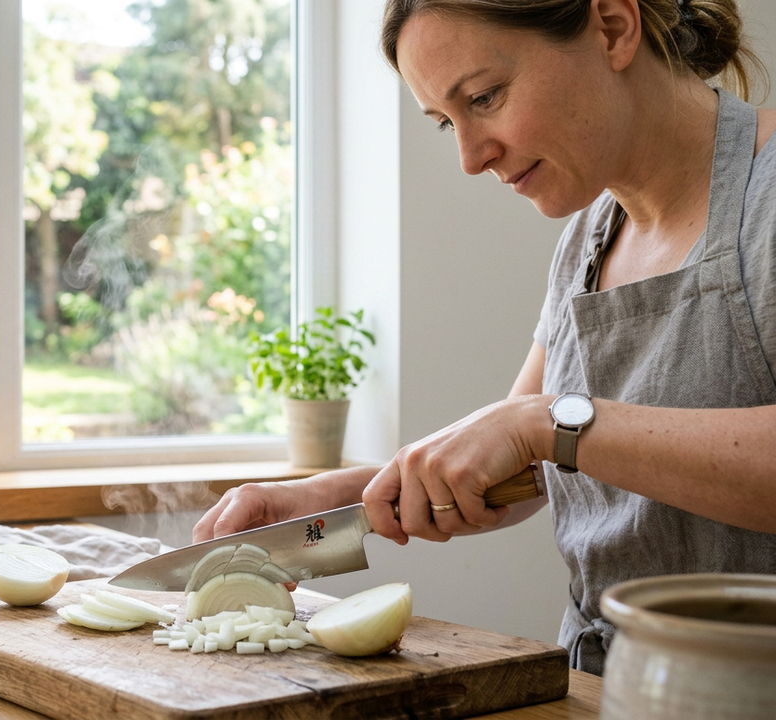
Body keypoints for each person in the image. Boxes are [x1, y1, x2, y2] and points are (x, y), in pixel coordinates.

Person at [192, 0, 776, 675]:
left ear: (613, 28)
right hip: (604, 686)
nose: (471, 158)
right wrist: (323, 501)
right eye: (447, 122)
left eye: (485, 96)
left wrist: (545, 423)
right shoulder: (587, 242)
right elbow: (521, 469)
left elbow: (545, 431)